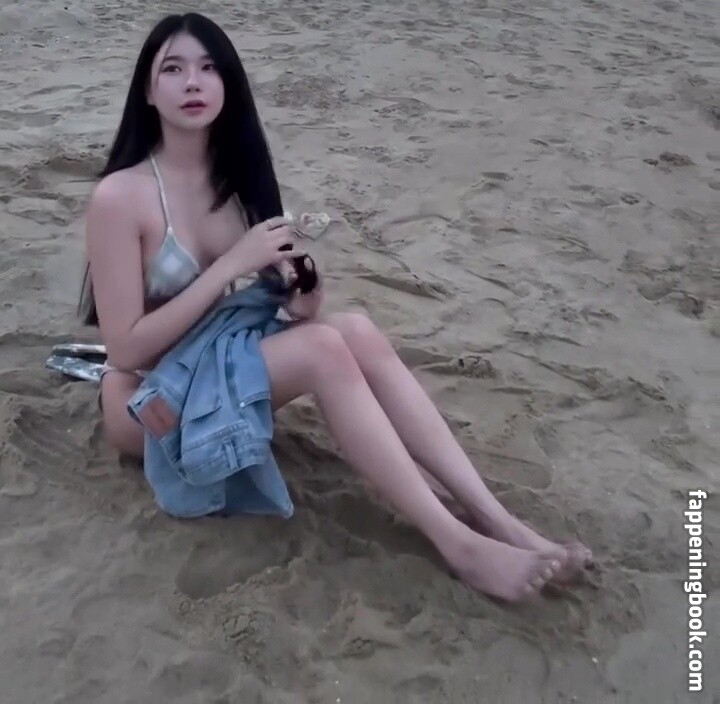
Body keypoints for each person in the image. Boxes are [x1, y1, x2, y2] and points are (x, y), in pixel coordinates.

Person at [82, 12, 592, 602]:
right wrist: (229, 266)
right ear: (148, 91)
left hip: (213, 363)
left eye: (208, 67)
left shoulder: (235, 180)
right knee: (323, 349)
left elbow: (286, 306)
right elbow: (124, 348)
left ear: (228, 84)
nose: (192, 82)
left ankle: (498, 521)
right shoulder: (120, 196)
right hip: (149, 402)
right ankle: (459, 545)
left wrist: (304, 297)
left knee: (354, 329)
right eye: (172, 69)